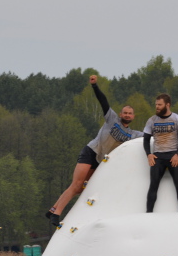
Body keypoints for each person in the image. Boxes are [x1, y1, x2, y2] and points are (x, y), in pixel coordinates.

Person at [46, 75, 142, 225]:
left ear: (133, 117)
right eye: (125, 113)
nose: (127, 115)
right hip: (91, 152)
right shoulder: (112, 119)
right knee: (76, 184)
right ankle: (56, 215)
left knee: (82, 189)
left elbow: (150, 135)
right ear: (121, 114)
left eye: (130, 113)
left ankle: (52, 210)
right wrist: (95, 86)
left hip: (99, 161)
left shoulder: (133, 134)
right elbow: (103, 101)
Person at [143, 93, 178, 212]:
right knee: (153, 184)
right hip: (158, 156)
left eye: (159, 105)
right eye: (156, 104)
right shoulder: (152, 120)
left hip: (173, 155)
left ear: (167, 105)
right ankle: (148, 213)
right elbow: (146, 139)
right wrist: (149, 154)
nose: (157, 107)